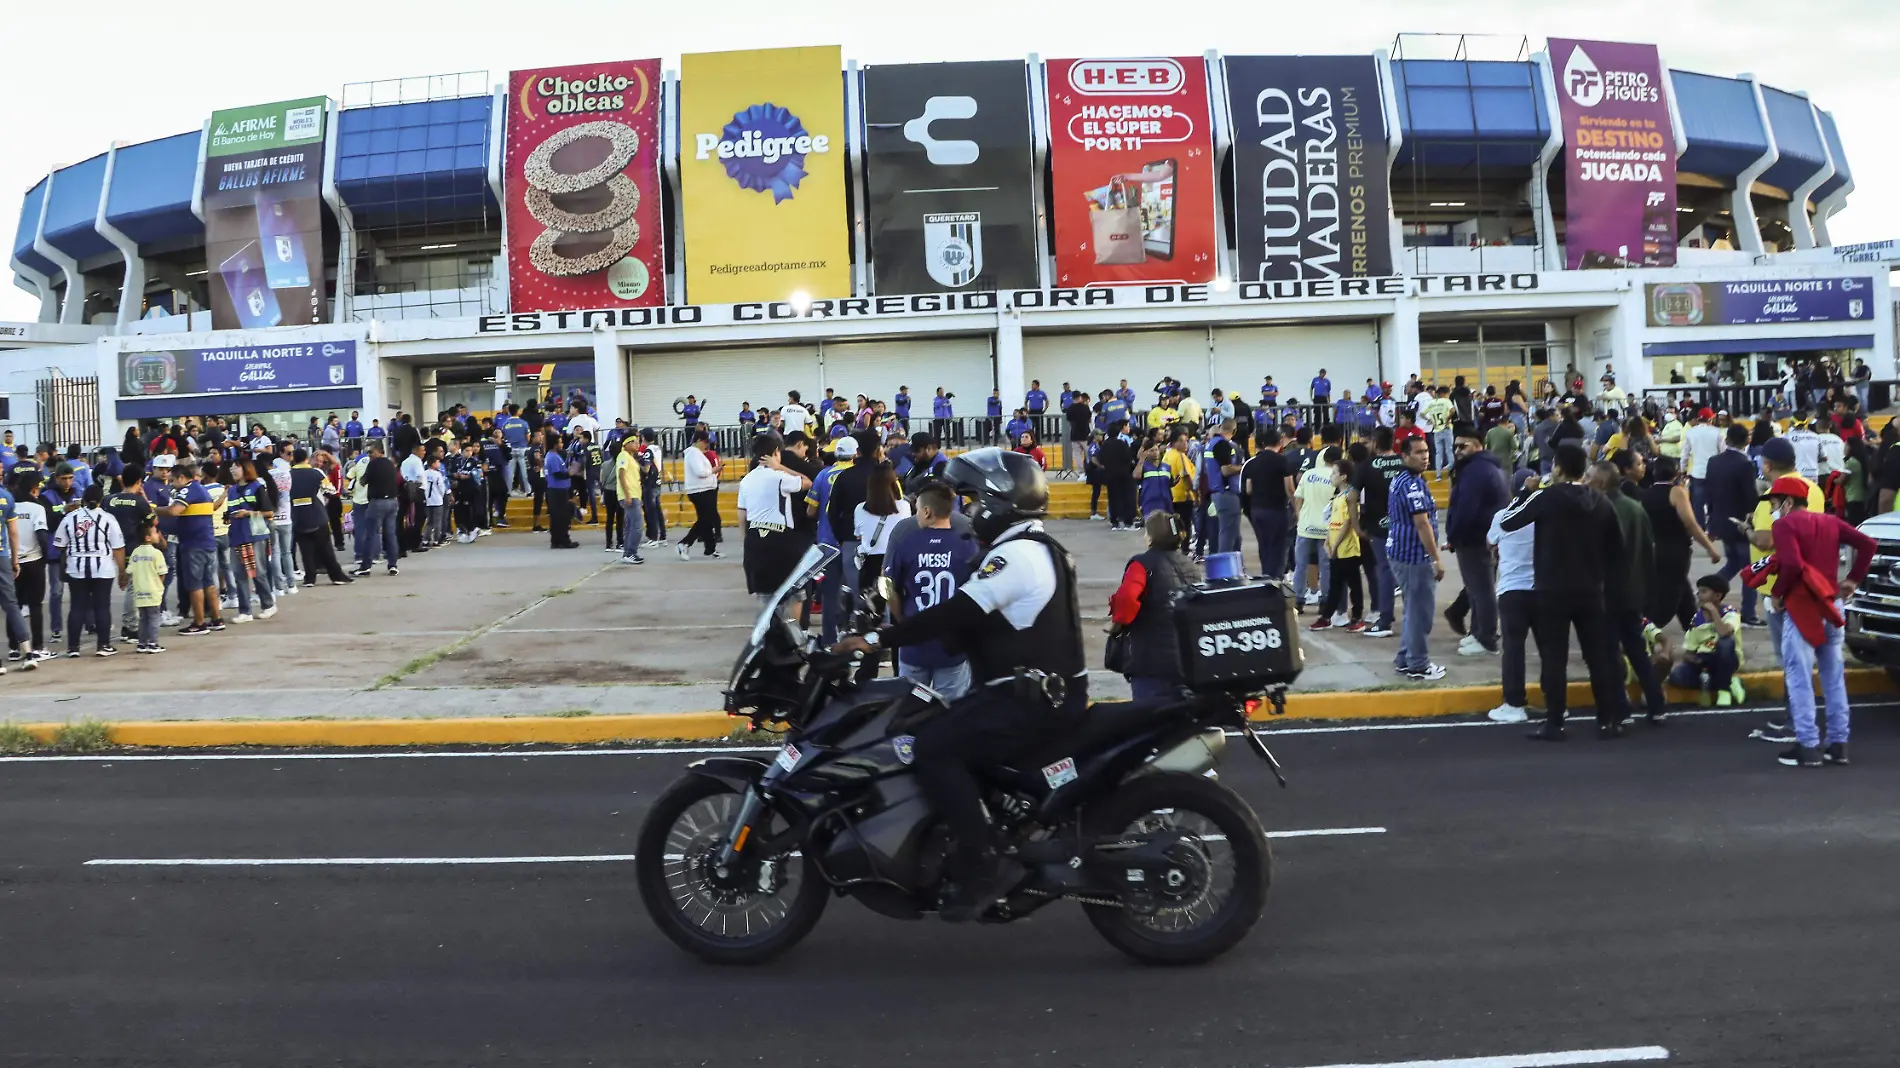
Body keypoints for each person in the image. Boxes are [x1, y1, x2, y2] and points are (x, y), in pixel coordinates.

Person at [832, 448, 1085, 922]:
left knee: (933, 748)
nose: (968, 511)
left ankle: (985, 864)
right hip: (1031, 694)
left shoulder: (1016, 557)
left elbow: (956, 613)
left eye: (972, 501)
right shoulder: (1030, 548)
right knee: (945, 727)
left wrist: (876, 639)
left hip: (1028, 703)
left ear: (998, 502)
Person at [1498, 444, 1627, 741]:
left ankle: (1555, 721)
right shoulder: (1600, 501)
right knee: (1597, 657)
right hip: (1591, 590)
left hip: (1552, 589)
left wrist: (1524, 493)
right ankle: (1607, 719)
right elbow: (1617, 551)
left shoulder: (1547, 497)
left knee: (1555, 659)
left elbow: (1508, 522)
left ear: (1557, 467)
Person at [1746, 475, 1875, 767]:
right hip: (1832, 605)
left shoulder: (1785, 525)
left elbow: (1790, 564)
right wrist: (1853, 579)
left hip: (1803, 608)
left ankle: (1807, 745)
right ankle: (1838, 745)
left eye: (1776, 504)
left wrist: (1778, 594)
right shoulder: (1829, 521)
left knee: (1800, 678)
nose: (1774, 510)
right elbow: (1867, 544)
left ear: (1789, 502)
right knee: (1833, 677)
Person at [1587, 461, 1667, 726]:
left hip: (1607, 593)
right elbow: (1648, 551)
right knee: (1636, 650)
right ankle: (1656, 704)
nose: (1585, 481)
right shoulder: (1636, 508)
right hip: (1633, 592)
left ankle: (1621, 711)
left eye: (1589, 477)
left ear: (1600, 483)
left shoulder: (1599, 510)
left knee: (1610, 653)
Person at [885, 482, 980, 698]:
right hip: (952, 642)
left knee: (909, 708)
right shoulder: (968, 545)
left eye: (918, 509)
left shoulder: (906, 542)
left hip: (914, 641)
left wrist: (902, 620)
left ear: (927, 512)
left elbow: (887, 585)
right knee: (951, 711)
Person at [1109, 510, 1199, 698]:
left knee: (1151, 720)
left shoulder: (1142, 564)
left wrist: (1117, 625)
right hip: (1187, 661)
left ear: (1151, 537)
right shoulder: (1190, 566)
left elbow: (1126, 600)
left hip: (1150, 662)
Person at [1444, 423, 1507, 656]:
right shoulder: (1482, 468)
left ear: (1477, 446)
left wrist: (1453, 536)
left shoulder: (1475, 471)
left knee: (1481, 590)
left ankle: (1487, 639)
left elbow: (1466, 509)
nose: (1458, 450)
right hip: (1482, 537)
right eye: (1455, 446)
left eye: (1463, 445)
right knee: (1476, 589)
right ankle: (1478, 632)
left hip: (1475, 538)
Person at [1387, 436, 1446, 681]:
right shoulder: (1411, 484)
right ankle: (1418, 664)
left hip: (1403, 554)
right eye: (1418, 452)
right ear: (1404, 456)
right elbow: (1422, 523)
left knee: (1413, 609)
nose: (1425, 456)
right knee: (1420, 611)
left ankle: (1405, 658)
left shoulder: (1406, 480)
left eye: (1426, 451)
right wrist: (1436, 558)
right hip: (1414, 556)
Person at [1640, 456, 1721, 631]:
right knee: (1668, 601)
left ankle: (1695, 630)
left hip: (1656, 549)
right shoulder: (1677, 492)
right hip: (1676, 551)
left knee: (1684, 598)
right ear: (1676, 473)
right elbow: (1690, 523)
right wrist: (1710, 547)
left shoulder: (1645, 494)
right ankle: (1644, 632)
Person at [1486, 471, 1541, 723]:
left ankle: (1514, 703)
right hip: (1542, 589)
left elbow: (1490, 541)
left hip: (1512, 590)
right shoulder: (1544, 515)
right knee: (1550, 648)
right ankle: (1557, 701)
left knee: (1514, 649)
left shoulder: (1503, 516)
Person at [51, 482, 126, 657]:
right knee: (102, 606)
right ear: (101, 500)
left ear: (83, 499)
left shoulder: (70, 517)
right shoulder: (108, 518)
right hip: (103, 568)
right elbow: (118, 548)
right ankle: (103, 645)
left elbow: (59, 544)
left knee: (77, 607)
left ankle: (73, 647)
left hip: (76, 569)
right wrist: (122, 571)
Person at [737, 434, 812, 602]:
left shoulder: (746, 480)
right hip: (780, 538)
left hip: (754, 538)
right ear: (776, 452)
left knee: (765, 593)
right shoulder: (780, 477)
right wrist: (780, 467)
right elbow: (807, 482)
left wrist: (746, 541)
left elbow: (742, 514)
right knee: (795, 592)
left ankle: (771, 626)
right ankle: (792, 628)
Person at [1706, 424, 1764, 625]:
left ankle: (1709, 591)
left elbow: (1709, 494)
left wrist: (1712, 523)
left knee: (1733, 563)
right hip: (1741, 524)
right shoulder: (1745, 464)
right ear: (1746, 440)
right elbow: (1750, 496)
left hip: (1721, 521)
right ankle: (1748, 613)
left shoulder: (1713, 462)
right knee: (1750, 568)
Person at [1667, 574, 1745, 707]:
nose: (1699, 595)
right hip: (1704, 660)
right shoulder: (1696, 619)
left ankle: (1724, 691)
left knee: (1725, 642)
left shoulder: (1730, 613)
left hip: (1725, 657)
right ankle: (1728, 681)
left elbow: (1724, 632)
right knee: (1676, 676)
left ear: (1717, 596)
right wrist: (1696, 660)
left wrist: (1713, 612)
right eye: (1699, 591)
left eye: (1704, 591)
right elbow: (1689, 651)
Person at [1311, 456, 1365, 632]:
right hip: (1336, 548)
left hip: (1348, 548)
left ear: (1343, 477)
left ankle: (1357, 617)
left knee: (1353, 584)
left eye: (1334, 473)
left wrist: (1335, 546)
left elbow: (1348, 522)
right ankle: (1326, 617)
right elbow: (1333, 522)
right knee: (1335, 585)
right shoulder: (1338, 496)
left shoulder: (1350, 496)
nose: (1331, 476)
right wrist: (1328, 540)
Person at [1292, 445, 1338, 609]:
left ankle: (1298, 599)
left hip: (1306, 526)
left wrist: (1299, 517)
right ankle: (1325, 600)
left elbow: (1298, 499)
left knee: (1301, 565)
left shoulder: (1308, 474)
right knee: (1325, 566)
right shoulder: (1336, 478)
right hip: (1326, 528)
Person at [351, 442, 401, 577]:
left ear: (379, 451)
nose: (369, 455)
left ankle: (365, 566)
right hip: (392, 501)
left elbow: (363, 481)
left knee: (370, 534)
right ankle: (393, 565)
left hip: (378, 502)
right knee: (390, 534)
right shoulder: (391, 464)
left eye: (371, 452)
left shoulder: (373, 464)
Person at [676, 430, 723, 560]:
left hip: (705, 488)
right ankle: (685, 543)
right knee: (706, 519)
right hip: (700, 490)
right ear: (697, 440)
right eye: (705, 442)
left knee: (707, 519)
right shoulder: (693, 453)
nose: (706, 445)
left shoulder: (697, 453)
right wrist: (714, 470)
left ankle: (710, 548)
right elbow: (700, 472)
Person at [541, 429, 578, 549]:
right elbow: (558, 474)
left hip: (556, 489)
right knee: (562, 516)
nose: (562, 444)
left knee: (557, 516)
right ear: (555, 444)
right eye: (560, 442)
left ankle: (556, 540)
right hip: (558, 490)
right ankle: (563, 540)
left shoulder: (552, 456)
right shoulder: (553, 457)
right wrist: (570, 473)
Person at [615, 437, 646, 565]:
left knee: (629, 525)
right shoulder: (623, 455)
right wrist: (627, 494)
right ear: (626, 444)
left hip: (635, 494)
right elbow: (621, 474)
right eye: (635, 442)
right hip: (630, 495)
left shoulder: (632, 458)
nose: (637, 444)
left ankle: (627, 552)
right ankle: (631, 552)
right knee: (637, 525)